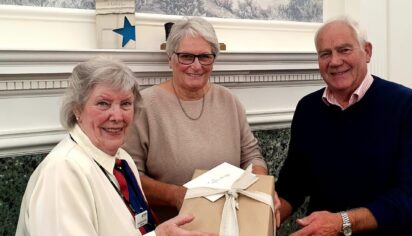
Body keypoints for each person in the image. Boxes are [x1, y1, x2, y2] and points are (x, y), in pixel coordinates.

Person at [15, 57, 216, 236]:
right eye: (103, 103)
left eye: (126, 104)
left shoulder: (121, 159)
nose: (117, 116)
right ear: (77, 109)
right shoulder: (63, 171)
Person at [275, 16, 412, 236]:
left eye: (344, 50)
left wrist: (343, 222)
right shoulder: (308, 108)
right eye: (325, 54)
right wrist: (261, 217)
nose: (335, 61)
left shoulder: (408, 105)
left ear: (367, 52)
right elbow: (293, 184)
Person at [123, 16, 275, 223]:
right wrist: (175, 195)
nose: (196, 65)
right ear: (170, 58)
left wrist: (260, 189)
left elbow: (252, 156)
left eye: (205, 57)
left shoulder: (228, 100)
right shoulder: (145, 106)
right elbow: (130, 177)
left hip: (230, 221)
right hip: (173, 226)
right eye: (186, 56)